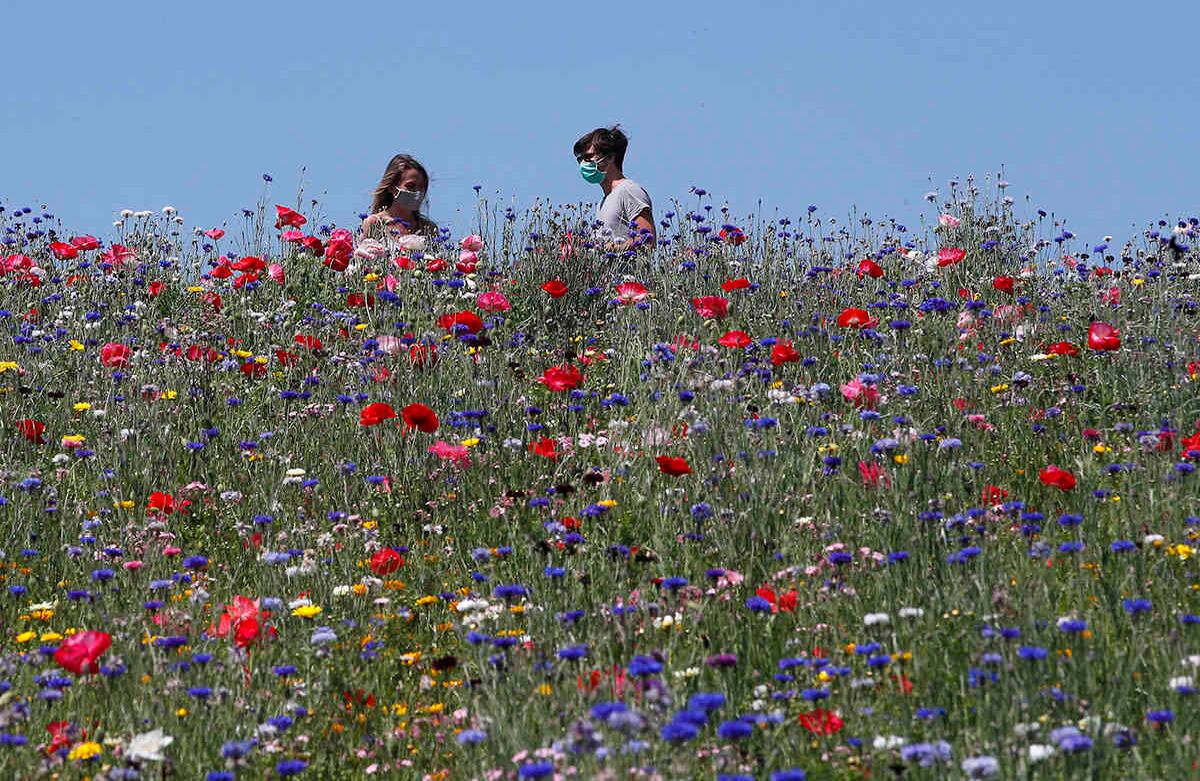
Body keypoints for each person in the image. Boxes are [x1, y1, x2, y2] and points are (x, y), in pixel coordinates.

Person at [573, 125, 655, 251]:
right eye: (581, 159)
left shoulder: (629, 190)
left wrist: (611, 249)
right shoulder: (602, 202)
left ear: (610, 157)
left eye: (589, 157)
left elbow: (648, 241)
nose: (584, 163)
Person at [360, 154, 435, 239]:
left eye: (421, 186)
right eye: (410, 186)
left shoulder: (428, 228)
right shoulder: (374, 223)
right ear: (392, 188)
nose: (417, 191)